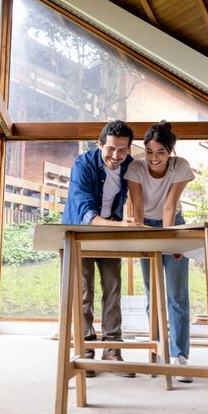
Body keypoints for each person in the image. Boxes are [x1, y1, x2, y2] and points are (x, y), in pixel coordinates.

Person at [62, 120, 141, 377]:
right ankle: (86, 352)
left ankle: (112, 350)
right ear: (99, 144)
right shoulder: (83, 165)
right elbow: (85, 212)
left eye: (122, 150)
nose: (116, 156)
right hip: (80, 232)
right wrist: (120, 225)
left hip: (110, 233)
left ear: (129, 149)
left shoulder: (129, 165)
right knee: (84, 293)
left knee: (113, 290)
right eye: (110, 149)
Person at [124, 121, 195, 382]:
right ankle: (156, 349)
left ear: (170, 152)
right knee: (152, 292)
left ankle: (180, 355)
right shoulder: (135, 167)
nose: (154, 158)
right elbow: (138, 205)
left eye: (160, 152)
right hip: (145, 225)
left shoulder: (181, 166)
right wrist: (142, 237)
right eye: (149, 151)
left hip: (172, 224)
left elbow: (169, 205)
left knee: (177, 294)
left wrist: (170, 242)